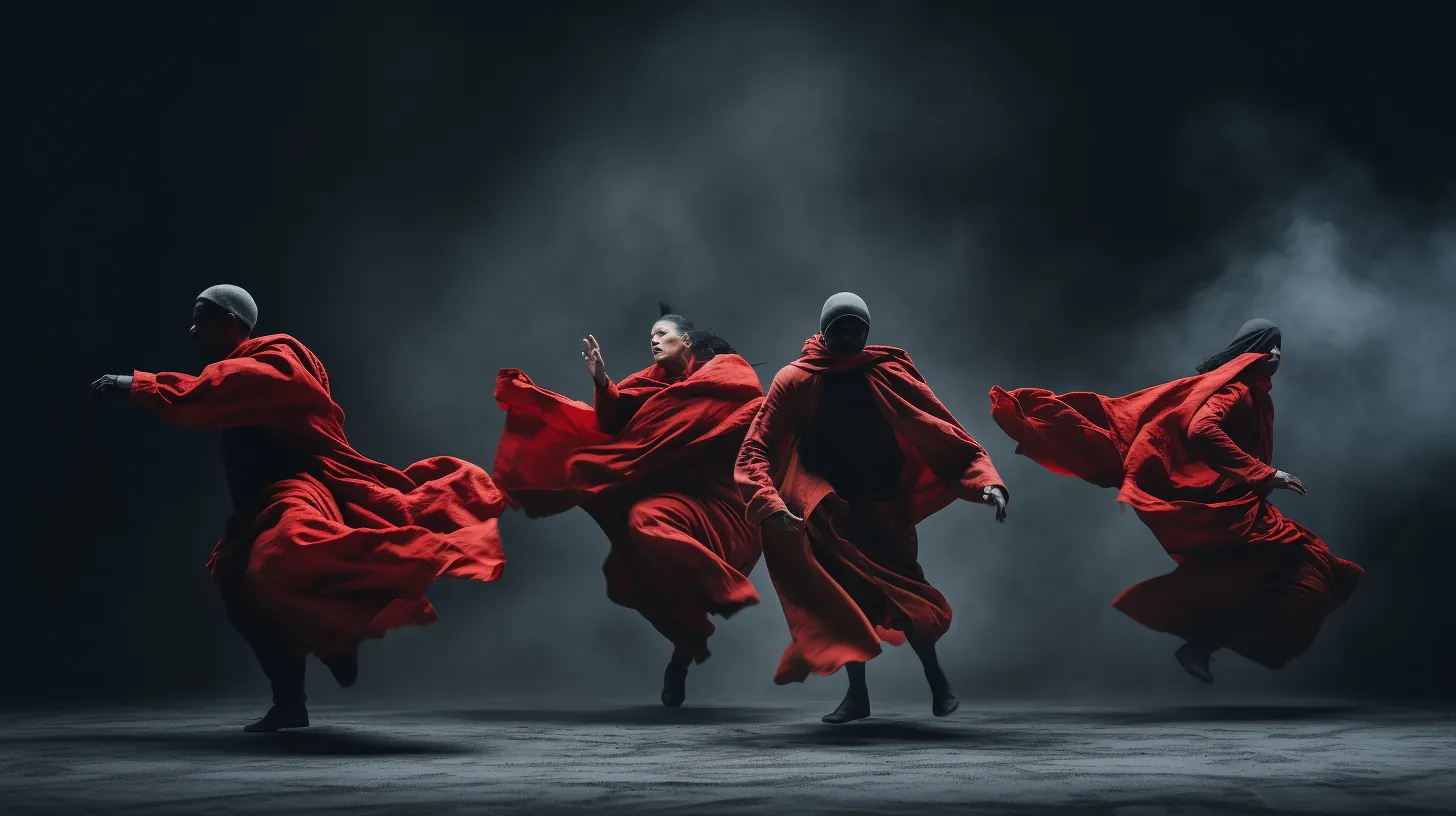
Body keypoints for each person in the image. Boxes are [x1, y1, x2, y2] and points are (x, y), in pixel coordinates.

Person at [91, 285, 507, 731]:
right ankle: (291, 702)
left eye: (202, 317)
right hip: (257, 504)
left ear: (232, 321)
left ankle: (337, 641)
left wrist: (134, 383)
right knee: (241, 587)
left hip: (293, 493)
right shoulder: (244, 370)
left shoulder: (273, 366)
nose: (192, 329)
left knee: (281, 556)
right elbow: (218, 393)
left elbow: (203, 395)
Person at [989, 318, 1363, 682]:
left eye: (1280, 346)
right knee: (1307, 570)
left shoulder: (1247, 393)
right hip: (1229, 513)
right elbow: (1202, 429)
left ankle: (1202, 645)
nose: (1278, 353)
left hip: (1241, 510)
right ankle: (1204, 642)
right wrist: (1268, 474)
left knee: (1283, 577)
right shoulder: (1237, 392)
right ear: (1251, 352)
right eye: (1269, 345)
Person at [734, 292, 1008, 724]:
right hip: (831, 514)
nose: (847, 335)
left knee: (909, 597)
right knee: (845, 604)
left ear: (867, 331)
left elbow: (943, 429)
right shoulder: (795, 379)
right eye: (839, 327)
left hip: (883, 508)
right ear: (824, 331)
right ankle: (856, 695)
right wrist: (769, 499)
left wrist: (986, 482)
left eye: (855, 328)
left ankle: (936, 677)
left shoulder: (887, 371)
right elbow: (756, 447)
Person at [493, 302, 764, 707]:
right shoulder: (646, 383)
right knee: (645, 527)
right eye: (650, 337)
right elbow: (617, 425)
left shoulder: (727, 374)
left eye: (661, 334)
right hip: (674, 497)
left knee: (678, 576)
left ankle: (689, 645)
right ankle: (697, 632)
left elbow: (749, 412)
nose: (653, 341)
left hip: (722, 501)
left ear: (685, 340)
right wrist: (603, 382)